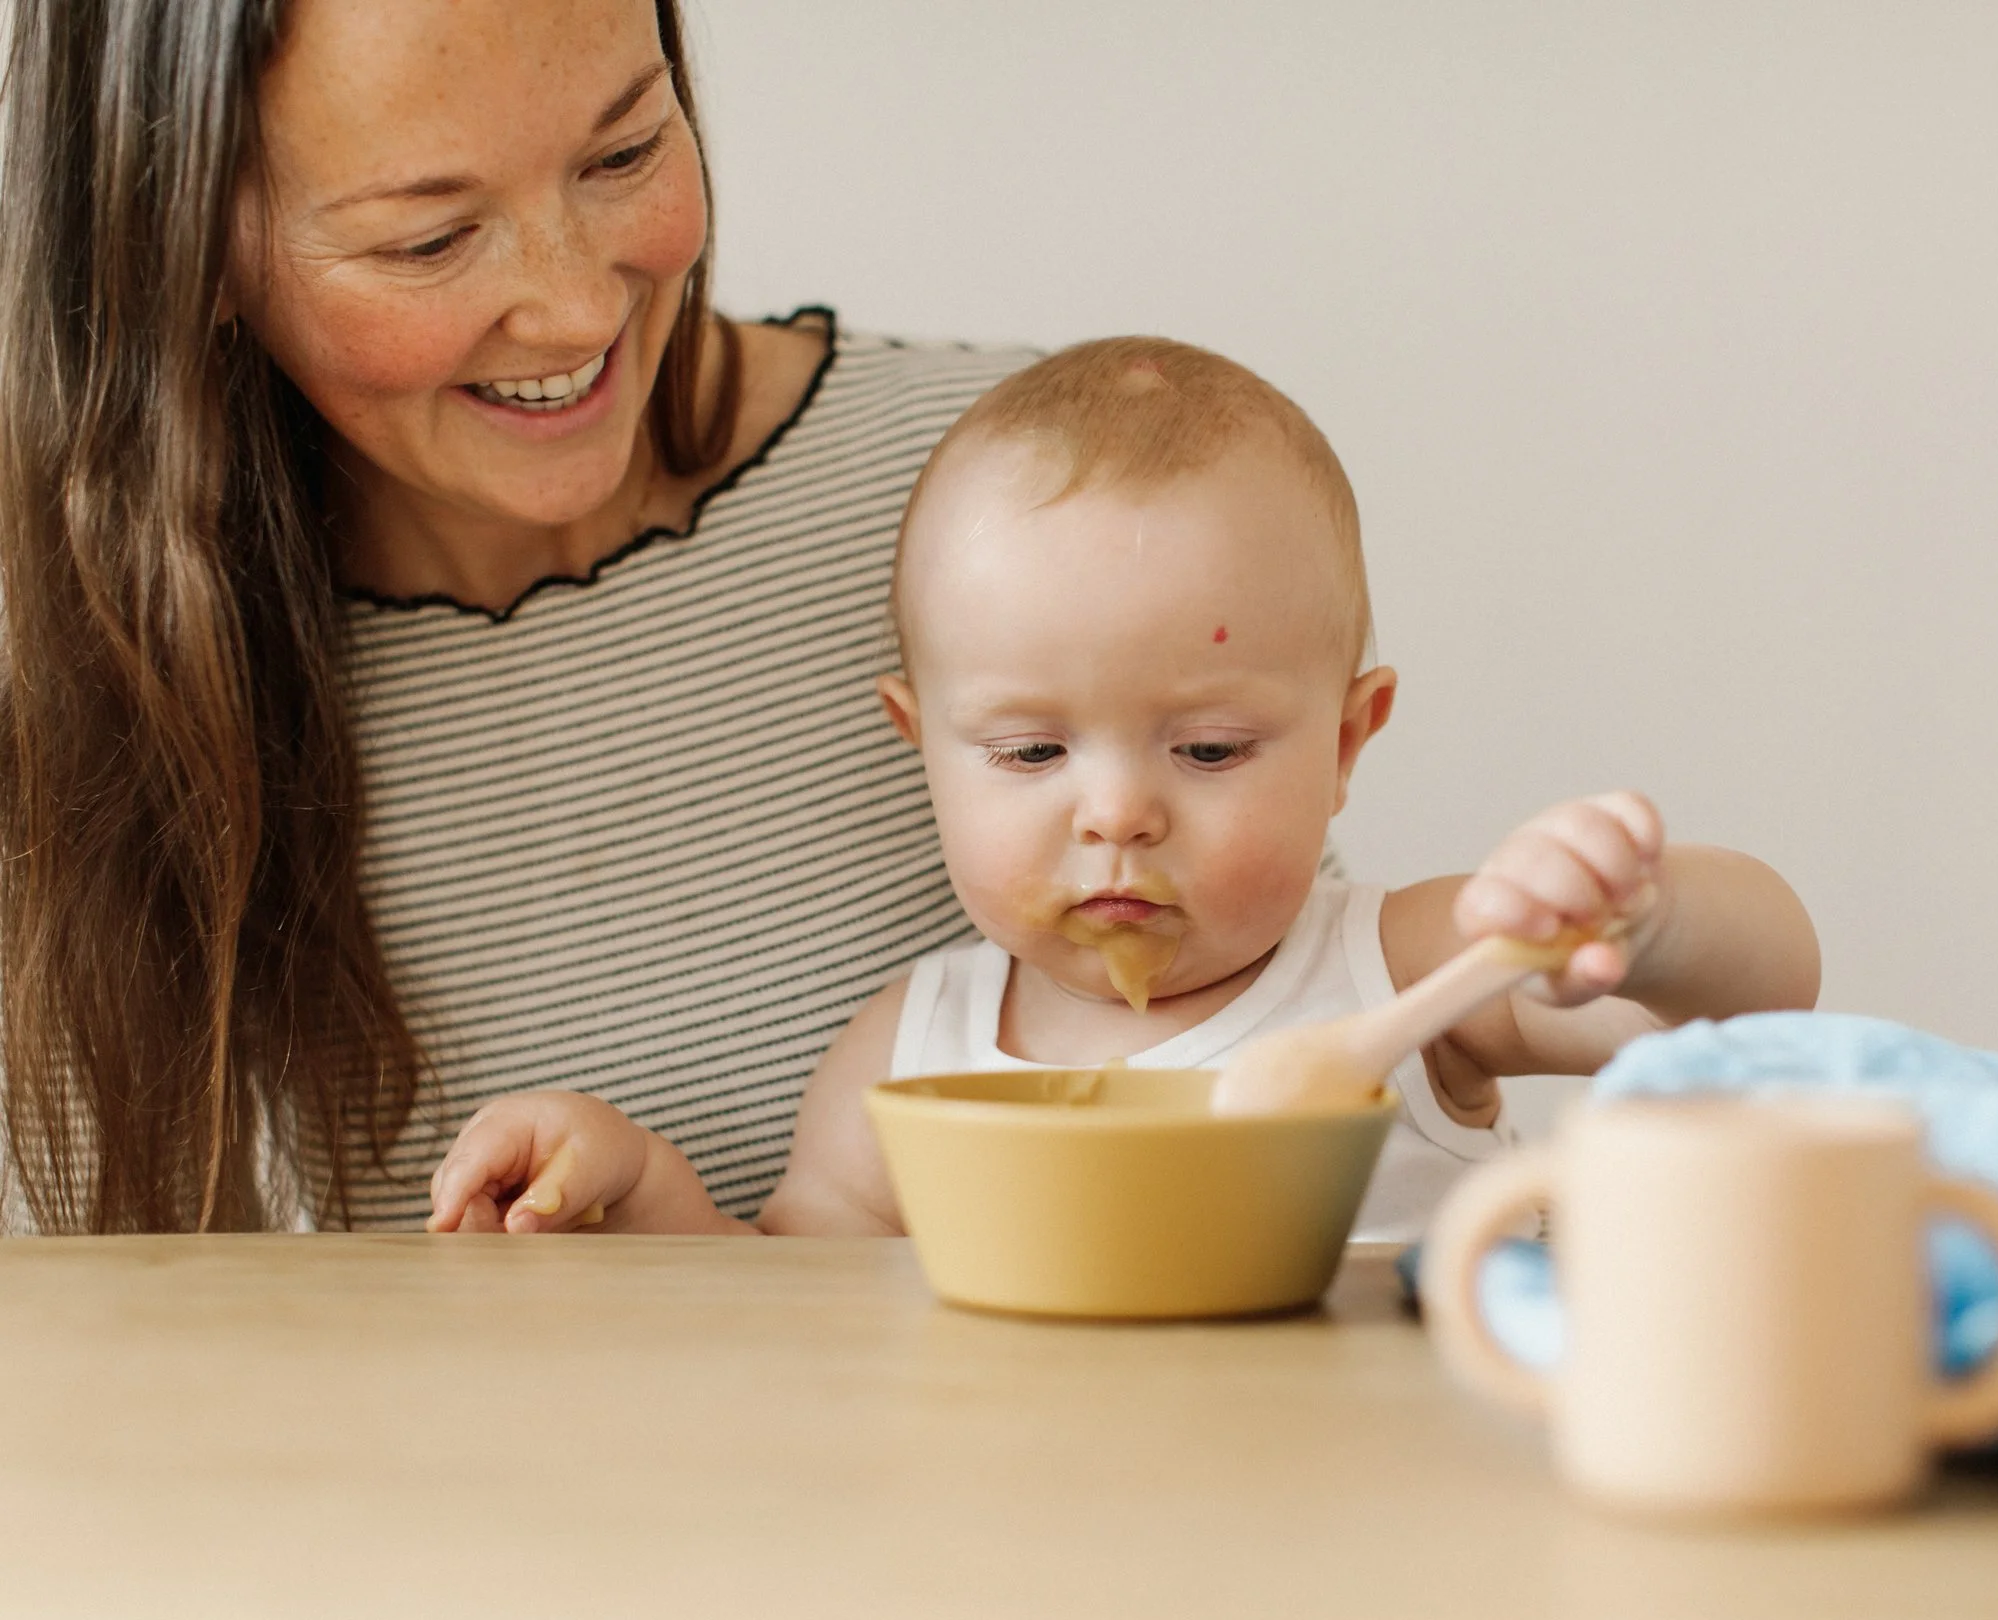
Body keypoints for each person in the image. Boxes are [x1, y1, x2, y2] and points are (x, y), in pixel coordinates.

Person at [0, 0, 1030, 1232]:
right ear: (190, 251)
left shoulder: (1038, 497)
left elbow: (1284, 1092)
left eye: (626, 152)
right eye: (430, 241)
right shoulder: (60, 700)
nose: (577, 310)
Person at [426, 340, 1822, 1240]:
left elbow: (1763, 1003)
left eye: (1207, 750)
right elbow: (790, 1305)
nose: (1115, 812)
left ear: (1349, 742)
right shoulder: (910, 1055)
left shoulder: (1403, 972)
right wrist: (637, 1182)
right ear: (920, 744)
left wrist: (1647, 920)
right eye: (1031, 752)